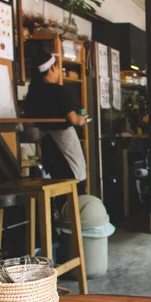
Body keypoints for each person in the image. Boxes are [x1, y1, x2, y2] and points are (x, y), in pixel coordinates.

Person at [25, 52, 87, 195]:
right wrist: (81, 119)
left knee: (58, 189)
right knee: (75, 186)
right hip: (64, 145)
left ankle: (60, 216)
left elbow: (30, 123)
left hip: (48, 148)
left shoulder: (32, 94)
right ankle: (74, 217)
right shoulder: (58, 91)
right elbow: (73, 119)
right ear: (52, 69)